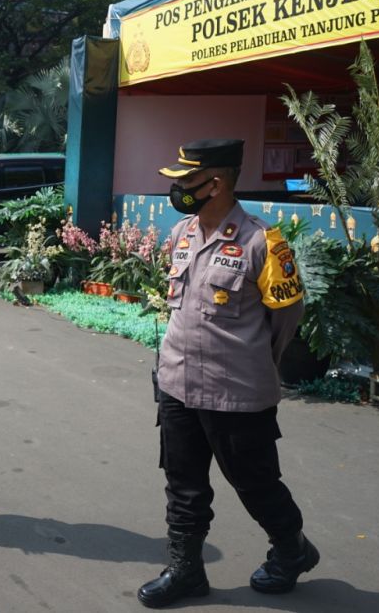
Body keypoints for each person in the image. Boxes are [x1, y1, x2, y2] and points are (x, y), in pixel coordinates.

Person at [137, 139, 318, 609]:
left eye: (185, 180)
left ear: (214, 183)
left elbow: (286, 319)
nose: (176, 188)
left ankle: (291, 549)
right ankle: (186, 571)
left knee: (256, 484)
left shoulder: (263, 242)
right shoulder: (181, 234)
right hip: (177, 384)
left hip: (236, 393)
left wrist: (253, 363)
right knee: (183, 484)